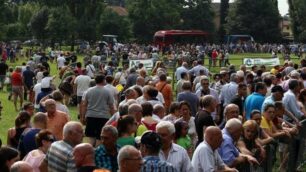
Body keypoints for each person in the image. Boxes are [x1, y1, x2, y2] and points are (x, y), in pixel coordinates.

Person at [80, 74, 115, 146]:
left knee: (91, 137)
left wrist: (83, 116)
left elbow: (84, 105)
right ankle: (97, 153)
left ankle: (89, 151)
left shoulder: (89, 91)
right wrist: (113, 117)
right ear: (103, 81)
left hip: (90, 116)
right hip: (103, 117)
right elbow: (111, 106)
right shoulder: (107, 91)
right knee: (99, 137)